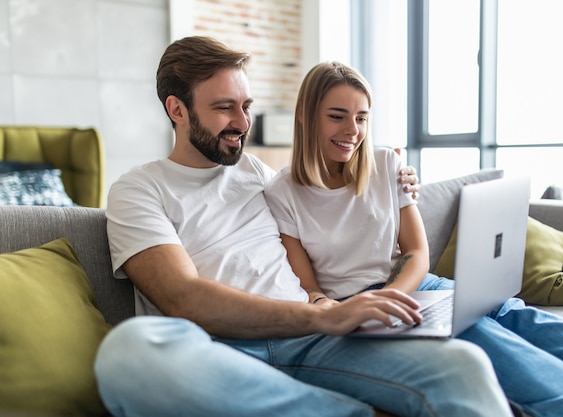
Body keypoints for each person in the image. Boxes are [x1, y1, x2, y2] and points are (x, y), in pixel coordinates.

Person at [93, 36, 514, 417]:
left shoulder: (256, 172)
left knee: (464, 363)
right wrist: (319, 317)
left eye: (246, 106)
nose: (242, 122)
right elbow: (182, 298)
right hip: (223, 352)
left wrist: (398, 179)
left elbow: (330, 191)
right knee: (129, 352)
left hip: (311, 337)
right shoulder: (138, 190)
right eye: (224, 108)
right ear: (177, 109)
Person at [263, 61, 563, 417]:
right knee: (518, 361)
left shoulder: (387, 164)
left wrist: (397, 293)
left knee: (551, 330)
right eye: (337, 116)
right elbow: (310, 289)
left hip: (417, 286)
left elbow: (418, 251)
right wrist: (357, 308)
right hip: (364, 306)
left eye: (362, 118)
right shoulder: (283, 191)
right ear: (305, 114)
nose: (352, 131)